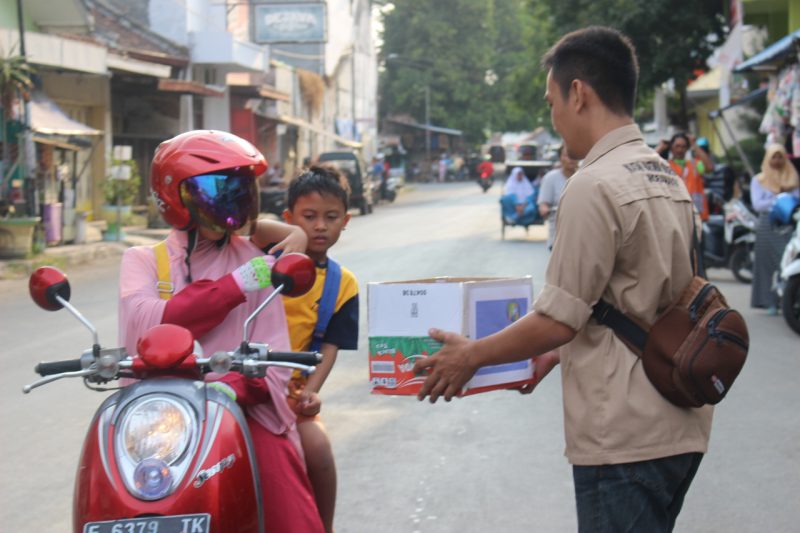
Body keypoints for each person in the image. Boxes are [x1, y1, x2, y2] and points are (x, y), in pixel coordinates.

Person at [414, 26, 712, 532]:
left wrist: (472, 355)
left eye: (551, 102)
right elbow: (637, 298)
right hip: (679, 420)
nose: (553, 118)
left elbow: (558, 318)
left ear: (578, 94)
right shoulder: (666, 176)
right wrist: (551, 354)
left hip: (623, 433)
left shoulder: (592, 184)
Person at [118, 130, 324, 533]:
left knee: (290, 513)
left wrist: (231, 387)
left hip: (243, 408)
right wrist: (234, 285)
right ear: (176, 197)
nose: (233, 202)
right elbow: (151, 324)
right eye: (217, 191)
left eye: (240, 190)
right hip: (160, 417)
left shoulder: (256, 259)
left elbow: (272, 356)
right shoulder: (144, 261)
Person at [281, 166, 360, 533]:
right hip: (243, 383)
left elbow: (330, 346)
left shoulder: (343, 284)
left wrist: (310, 393)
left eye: (331, 217)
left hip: (292, 395)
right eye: (308, 217)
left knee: (319, 451)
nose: (320, 227)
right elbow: (252, 228)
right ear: (289, 218)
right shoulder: (267, 259)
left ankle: (322, 526)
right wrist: (289, 237)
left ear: (346, 221)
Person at [750, 143, 800, 314]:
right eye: (774, 157)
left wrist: (781, 198)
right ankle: (768, 301)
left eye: (780, 157)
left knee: (785, 261)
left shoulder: (793, 178)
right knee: (765, 265)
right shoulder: (759, 180)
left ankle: (786, 300)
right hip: (767, 226)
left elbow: (797, 200)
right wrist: (780, 198)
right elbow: (758, 205)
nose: (777, 160)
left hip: (788, 224)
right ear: (768, 159)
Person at [537, 145, 579, 250]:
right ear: (560, 158)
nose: (571, 159)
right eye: (567, 155)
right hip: (558, 234)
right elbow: (543, 205)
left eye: (574, 156)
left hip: (581, 234)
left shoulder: (585, 176)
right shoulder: (550, 178)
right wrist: (545, 209)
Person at [667, 132, 714, 220]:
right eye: (677, 146)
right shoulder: (665, 165)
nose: (680, 150)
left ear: (687, 148)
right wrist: (661, 147)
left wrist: (694, 144)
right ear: (671, 147)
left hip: (696, 215)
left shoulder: (694, 164)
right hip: (676, 215)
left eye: (683, 146)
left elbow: (709, 167)